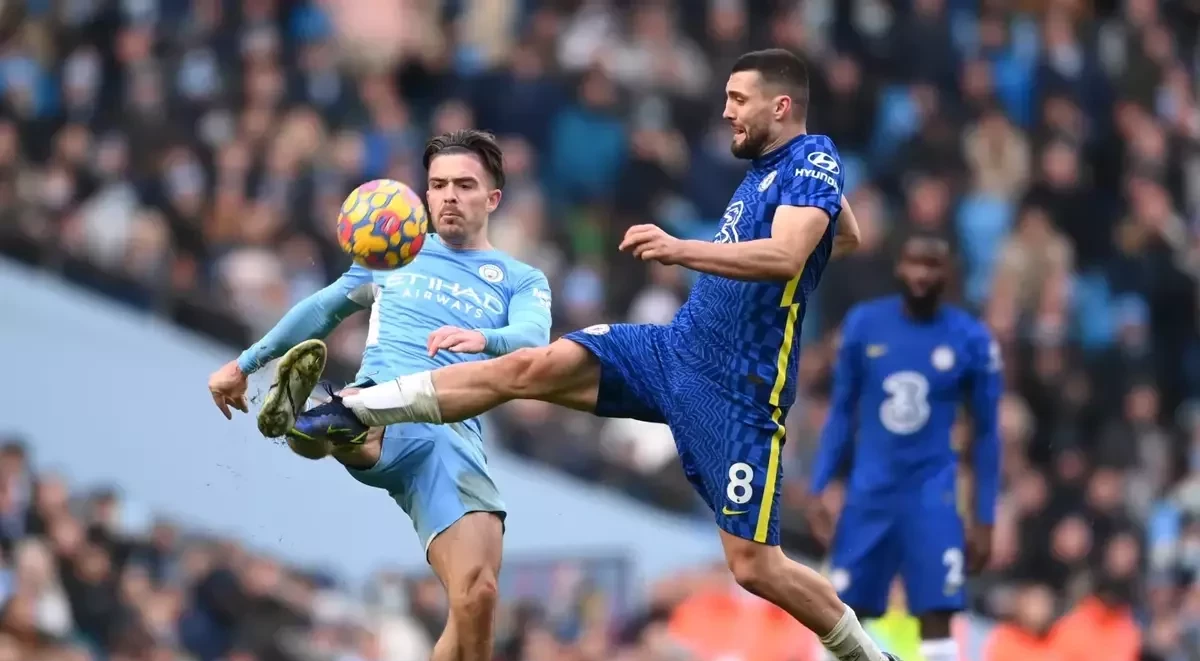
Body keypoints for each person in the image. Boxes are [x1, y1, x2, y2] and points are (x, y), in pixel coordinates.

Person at [292, 48, 901, 661]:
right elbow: (840, 236)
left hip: (737, 392)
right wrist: (809, 241)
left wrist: (680, 249)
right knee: (529, 368)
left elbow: (790, 255)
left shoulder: (813, 158)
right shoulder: (776, 167)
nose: (726, 111)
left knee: (755, 567)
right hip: (672, 349)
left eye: (738, 99)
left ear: (782, 104)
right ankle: (358, 408)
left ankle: (869, 657)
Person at [206, 129, 553, 661]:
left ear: (493, 198)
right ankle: (336, 425)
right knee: (367, 413)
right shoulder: (397, 254)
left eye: (464, 184)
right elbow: (322, 309)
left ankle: (318, 421)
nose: (449, 196)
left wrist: (485, 338)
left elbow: (533, 340)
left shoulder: (520, 278)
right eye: (438, 185)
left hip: (453, 441)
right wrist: (243, 364)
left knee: (477, 595)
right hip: (386, 402)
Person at [808, 234, 1002, 661]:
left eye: (932, 265)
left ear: (947, 272)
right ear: (899, 265)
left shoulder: (971, 339)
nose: (921, 274)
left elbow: (987, 434)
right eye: (914, 263)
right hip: (870, 489)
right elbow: (842, 411)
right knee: (842, 610)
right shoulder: (864, 324)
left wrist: (985, 517)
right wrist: (821, 483)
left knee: (937, 610)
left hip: (932, 492)